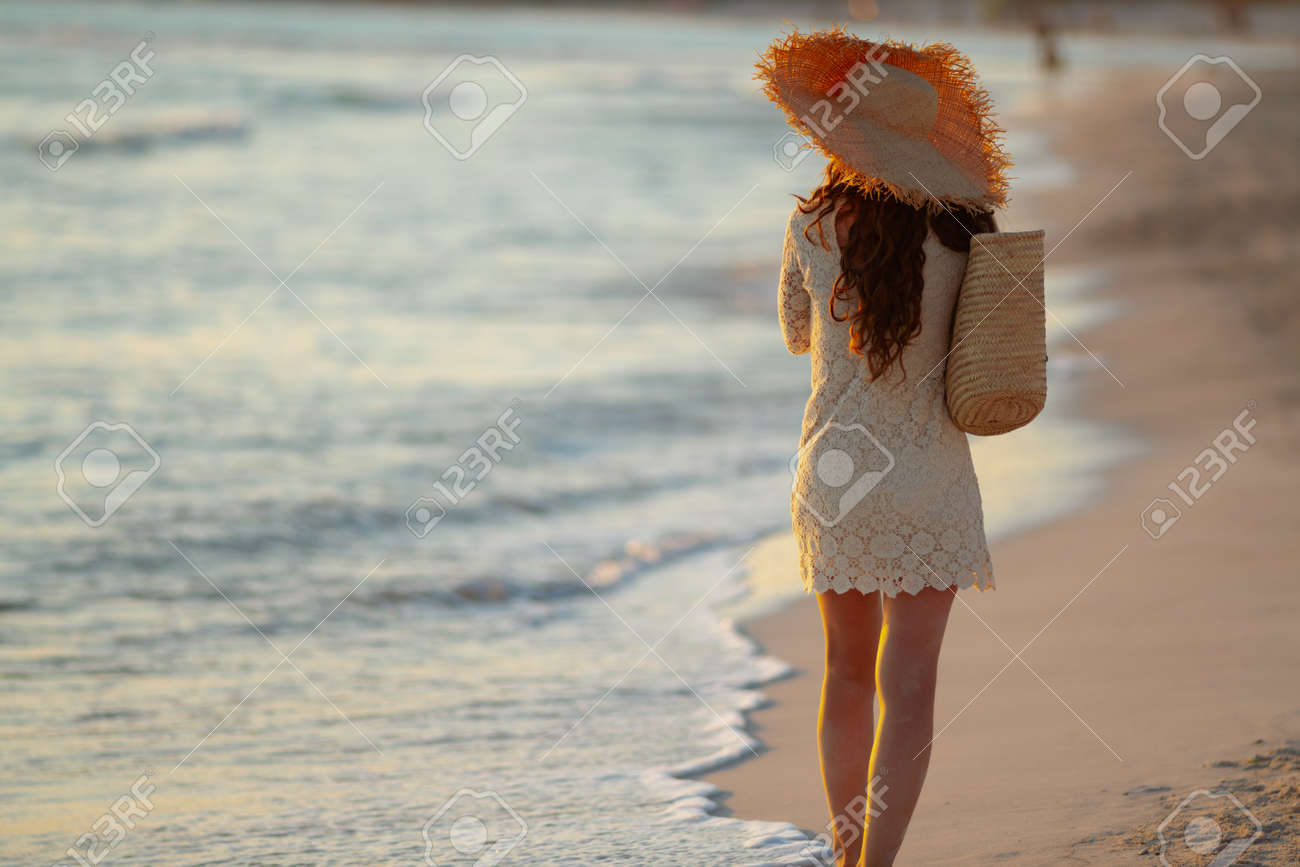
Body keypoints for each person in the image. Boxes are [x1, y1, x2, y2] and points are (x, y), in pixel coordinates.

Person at [756, 30, 1013, 866]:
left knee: (846, 679)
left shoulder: (814, 223)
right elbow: (990, 345)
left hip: (837, 470)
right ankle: (880, 863)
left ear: (843, 137)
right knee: (911, 692)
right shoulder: (968, 228)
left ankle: (844, 854)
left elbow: (797, 336)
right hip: (932, 473)